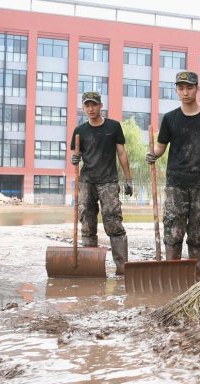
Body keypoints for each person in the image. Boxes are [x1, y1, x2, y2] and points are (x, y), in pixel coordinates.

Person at [147, 71, 200, 278]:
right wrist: (152, 154)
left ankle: (198, 279)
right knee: (173, 231)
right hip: (176, 183)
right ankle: (171, 278)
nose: (185, 92)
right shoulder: (170, 118)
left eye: (189, 87)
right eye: (181, 88)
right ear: (176, 90)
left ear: (197, 89)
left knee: (198, 233)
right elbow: (160, 147)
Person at [70, 91, 132, 275]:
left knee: (113, 222)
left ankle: (122, 268)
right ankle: (91, 267)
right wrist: (74, 159)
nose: (91, 109)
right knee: (87, 222)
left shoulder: (113, 127)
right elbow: (75, 155)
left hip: (108, 181)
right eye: (87, 105)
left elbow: (121, 153)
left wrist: (128, 179)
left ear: (100, 106)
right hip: (87, 181)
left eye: (94, 105)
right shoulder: (79, 131)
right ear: (83, 108)